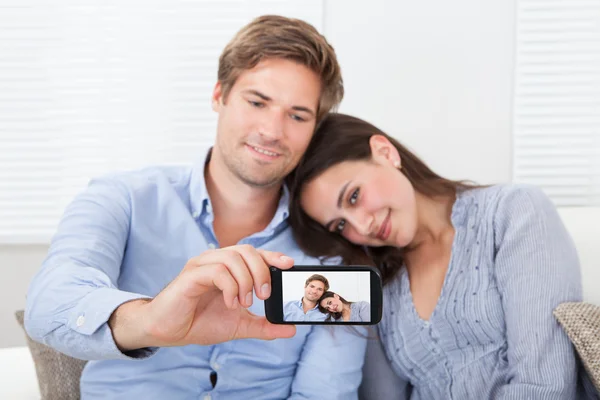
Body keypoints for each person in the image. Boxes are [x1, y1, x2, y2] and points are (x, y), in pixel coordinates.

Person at [24, 17, 367, 400]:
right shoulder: (123, 199)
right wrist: (151, 320)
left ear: (315, 128)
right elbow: (48, 304)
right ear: (219, 95)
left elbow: (324, 393)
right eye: (257, 102)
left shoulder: (329, 253)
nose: (272, 130)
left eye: (298, 115)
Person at [287, 113, 595, 399]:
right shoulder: (376, 283)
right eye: (340, 225)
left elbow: (545, 387)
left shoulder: (513, 213)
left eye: (354, 196)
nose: (362, 225)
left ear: (385, 152)